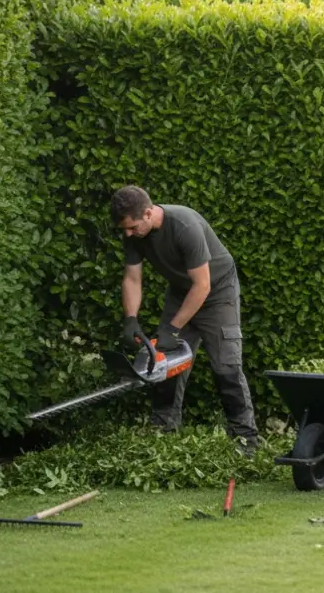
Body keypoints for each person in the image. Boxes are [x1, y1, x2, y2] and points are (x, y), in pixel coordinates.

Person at [110, 185, 259, 453]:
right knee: (164, 363)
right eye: (125, 229)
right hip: (181, 293)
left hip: (217, 292)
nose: (128, 234)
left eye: (132, 227)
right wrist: (130, 319)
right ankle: (163, 432)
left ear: (147, 213)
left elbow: (202, 286)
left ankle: (246, 440)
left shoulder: (184, 225)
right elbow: (132, 278)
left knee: (226, 367)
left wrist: (173, 328)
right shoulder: (133, 234)